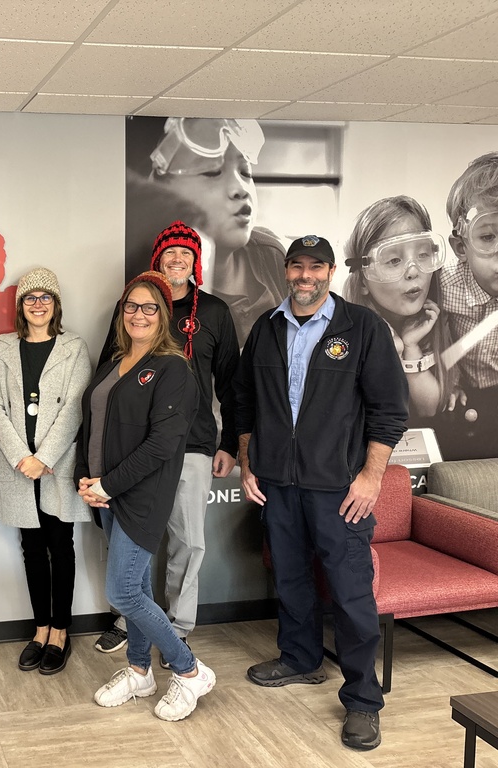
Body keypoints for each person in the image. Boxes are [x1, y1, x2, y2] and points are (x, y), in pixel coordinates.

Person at [234, 235, 408, 751]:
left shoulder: (363, 327)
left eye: (316, 267)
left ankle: (362, 700)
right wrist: (248, 462)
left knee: (351, 594)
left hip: (339, 488)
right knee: (290, 578)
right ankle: (300, 659)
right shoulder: (266, 328)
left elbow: (389, 410)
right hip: (278, 484)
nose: (305, 276)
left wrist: (371, 478)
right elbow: (244, 401)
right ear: (286, 270)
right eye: (297, 266)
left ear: (331, 272)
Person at [93, 222, 239, 661]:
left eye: (186, 254)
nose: (177, 260)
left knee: (187, 541)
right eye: (170, 252)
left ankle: (177, 627)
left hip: (192, 443)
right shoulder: (131, 307)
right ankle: (130, 618)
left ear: (196, 262)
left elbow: (232, 384)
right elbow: (107, 374)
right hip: (133, 448)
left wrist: (230, 444)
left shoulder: (214, 312)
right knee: (129, 536)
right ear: (157, 259)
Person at [77, 271, 215, 723]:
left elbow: (162, 445)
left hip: (141, 495)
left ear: (164, 314)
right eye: (131, 306)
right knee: (135, 587)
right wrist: (85, 479)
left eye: (149, 307)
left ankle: (190, 671)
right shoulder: (113, 363)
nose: (139, 314)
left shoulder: (174, 368)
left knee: (121, 590)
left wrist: (108, 484)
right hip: (106, 493)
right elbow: (90, 427)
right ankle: (139, 671)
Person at [0, 268, 92, 675]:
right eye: (30, 298)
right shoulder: (4, 349)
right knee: (31, 548)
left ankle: (61, 631)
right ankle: (40, 629)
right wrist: (20, 457)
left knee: (60, 546)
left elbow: (75, 408)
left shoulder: (74, 348)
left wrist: (43, 458)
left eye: (46, 297)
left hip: (56, 464)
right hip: (18, 467)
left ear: (56, 304)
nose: (38, 304)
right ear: (20, 306)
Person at [125, 116, 286, 345]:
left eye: (246, 172)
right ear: (159, 188)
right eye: (212, 172)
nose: (240, 188)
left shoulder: (272, 256)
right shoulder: (147, 282)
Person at [343, 196, 454, 422]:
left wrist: (411, 348)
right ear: (363, 280)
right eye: (394, 260)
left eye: (423, 255)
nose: (413, 271)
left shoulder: (438, 318)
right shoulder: (346, 333)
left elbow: (429, 409)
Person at [440, 152, 498, 459]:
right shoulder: (444, 285)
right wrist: (449, 382)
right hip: (465, 395)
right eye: (487, 237)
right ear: (462, 247)